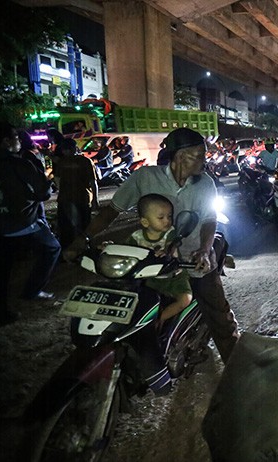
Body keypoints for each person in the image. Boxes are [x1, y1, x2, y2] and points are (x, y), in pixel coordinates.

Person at [64, 127, 239, 362]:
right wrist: (83, 239)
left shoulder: (205, 183)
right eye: (198, 154)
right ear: (179, 156)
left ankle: (236, 363)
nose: (204, 160)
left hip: (193, 260)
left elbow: (209, 219)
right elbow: (111, 212)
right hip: (151, 260)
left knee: (219, 315)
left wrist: (205, 250)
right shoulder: (144, 177)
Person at [0, 122, 60, 327]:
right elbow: (43, 193)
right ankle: (33, 290)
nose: (18, 141)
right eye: (14, 136)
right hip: (23, 224)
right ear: (6, 141)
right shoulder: (19, 164)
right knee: (52, 247)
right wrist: (47, 180)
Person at [126, 193, 192, 326]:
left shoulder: (170, 232)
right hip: (150, 279)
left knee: (185, 299)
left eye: (169, 216)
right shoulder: (137, 237)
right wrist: (108, 247)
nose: (167, 221)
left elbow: (171, 245)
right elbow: (125, 249)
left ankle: (160, 319)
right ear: (145, 222)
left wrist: (166, 251)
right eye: (161, 217)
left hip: (175, 277)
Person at [53, 138, 100, 248]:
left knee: (66, 229)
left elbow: (57, 180)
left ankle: (68, 253)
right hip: (82, 198)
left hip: (66, 199)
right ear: (75, 148)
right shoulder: (85, 161)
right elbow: (93, 182)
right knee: (84, 228)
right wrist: (95, 200)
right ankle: (85, 250)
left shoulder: (62, 162)